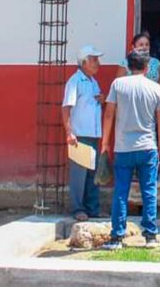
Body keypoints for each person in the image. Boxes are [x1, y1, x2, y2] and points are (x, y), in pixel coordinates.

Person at [100, 51, 160, 250]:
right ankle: (150, 236)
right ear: (147, 68)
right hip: (148, 146)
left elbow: (109, 114)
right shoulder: (155, 87)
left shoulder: (118, 85)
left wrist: (105, 142)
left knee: (121, 191)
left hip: (123, 147)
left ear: (129, 67)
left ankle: (117, 237)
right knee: (149, 191)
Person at [63, 45, 104, 221]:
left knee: (92, 174)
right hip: (79, 134)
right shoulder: (75, 81)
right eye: (94, 59)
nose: (98, 63)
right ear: (84, 62)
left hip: (94, 134)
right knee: (79, 175)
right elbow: (66, 108)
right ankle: (78, 208)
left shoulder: (93, 82)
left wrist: (101, 100)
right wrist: (69, 132)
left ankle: (92, 208)